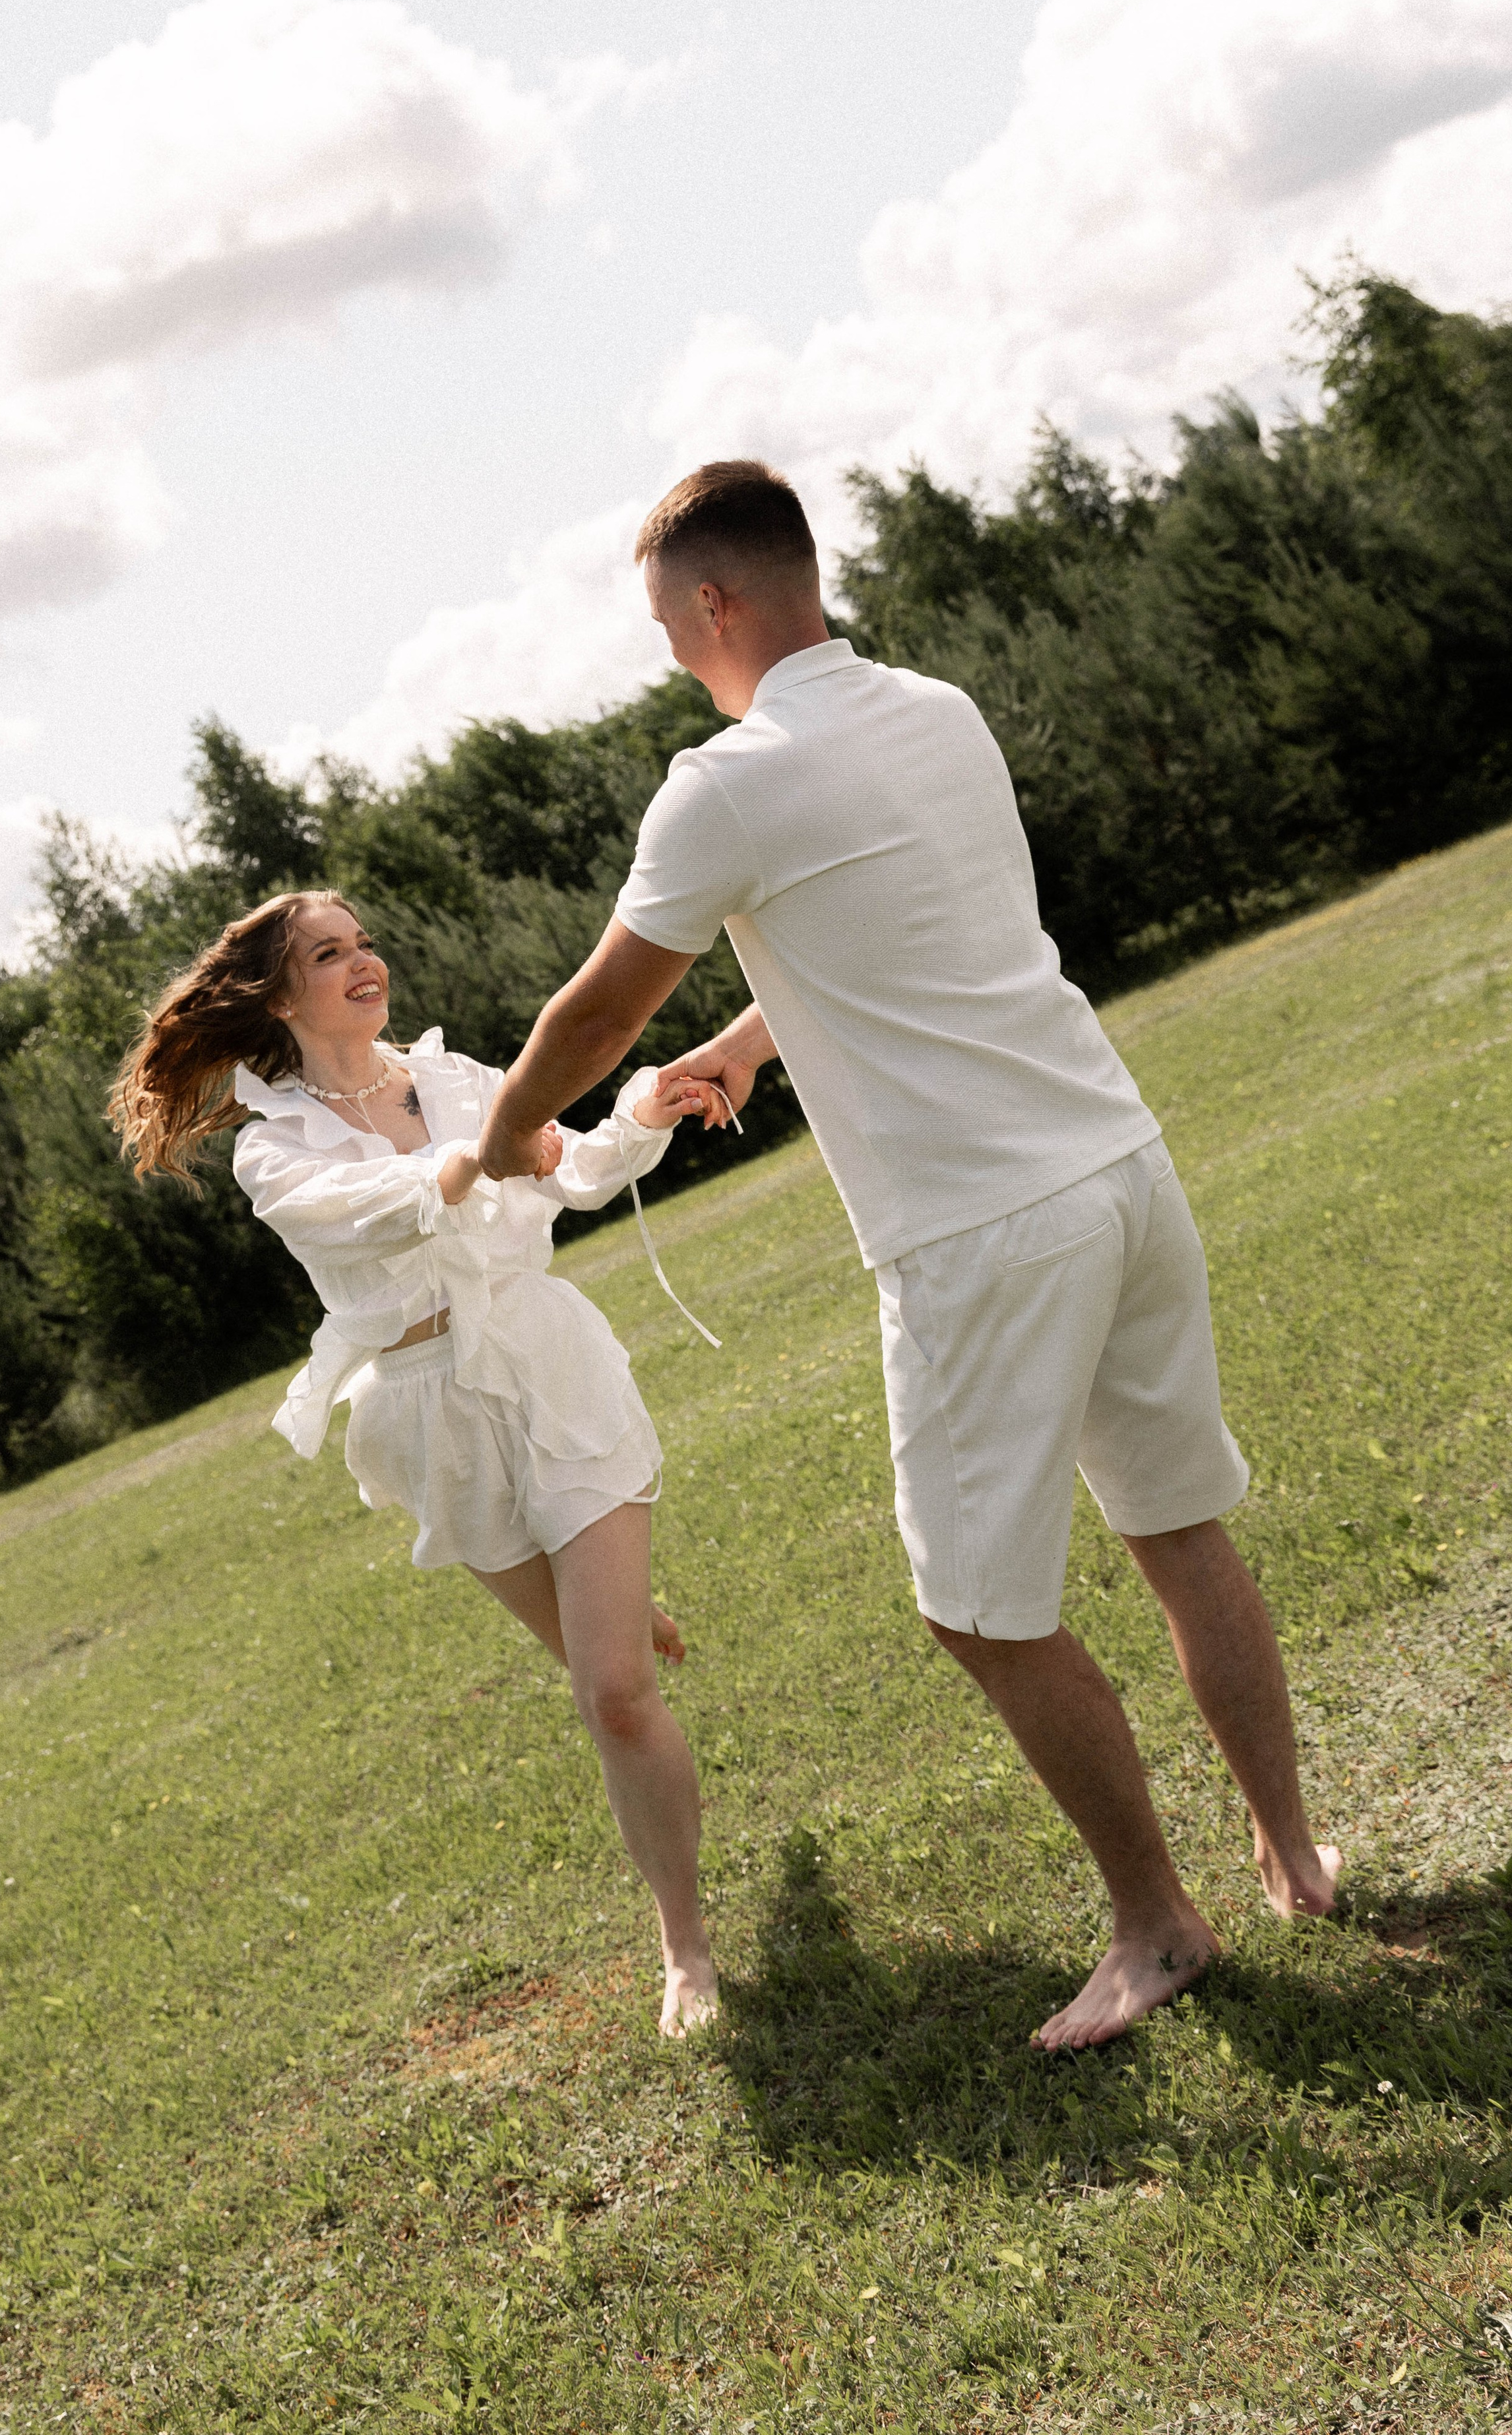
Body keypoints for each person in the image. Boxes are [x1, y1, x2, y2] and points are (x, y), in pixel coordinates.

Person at [477, 459, 1342, 2052]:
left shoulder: (721, 782)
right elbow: (905, 929)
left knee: (976, 1611)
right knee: (1177, 1527)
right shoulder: (934, 707)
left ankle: (1157, 1926)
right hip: (1113, 1157)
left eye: (670, 624)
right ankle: (1294, 1859)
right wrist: (754, 1038)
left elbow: (595, 1013)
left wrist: (490, 1142)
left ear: (716, 604)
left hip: (979, 1233)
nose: (672, 653)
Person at [108, 889, 729, 2037]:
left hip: (548, 1368)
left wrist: (643, 1101)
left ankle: (684, 1950)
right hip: (431, 1415)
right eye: (328, 953)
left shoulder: (454, 1078)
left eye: (365, 943)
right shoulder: (275, 1151)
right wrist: (478, 1155)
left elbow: (574, 1169)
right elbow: (379, 1209)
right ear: (279, 994)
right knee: (606, 1665)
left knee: (614, 1697)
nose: (364, 964)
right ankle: (620, 1603)